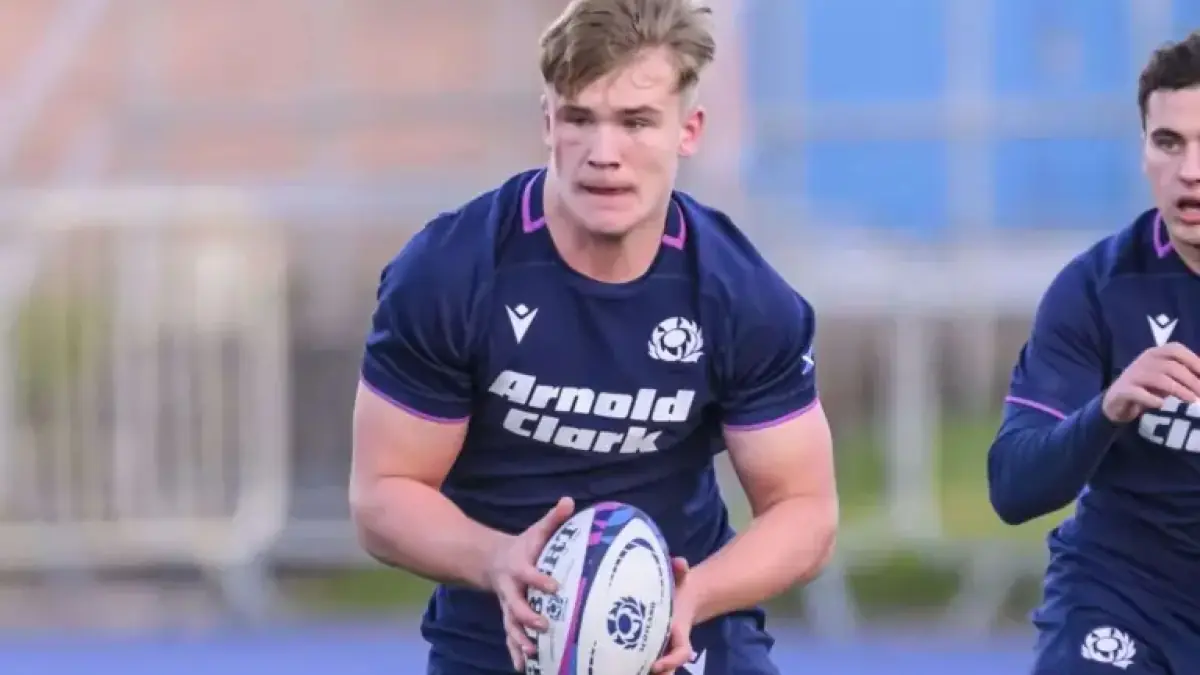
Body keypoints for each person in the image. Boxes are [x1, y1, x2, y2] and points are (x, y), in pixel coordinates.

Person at [348, 0, 838, 673]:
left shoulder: (740, 295)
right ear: (548, 122)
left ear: (688, 129)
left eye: (636, 122)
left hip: (685, 640)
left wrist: (694, 595)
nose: (605, 155)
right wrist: (496, 559)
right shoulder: (451, 272)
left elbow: (805, 509)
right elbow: (383, 493)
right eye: (580, 119)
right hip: (502, 642)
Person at [988, 30, 1200, 675]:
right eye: (1169, 142)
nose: (1190, 171)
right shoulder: (1098, 288)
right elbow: (1013, 486)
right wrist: (1106, 411)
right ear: (1143, 151)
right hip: (1127, 599)